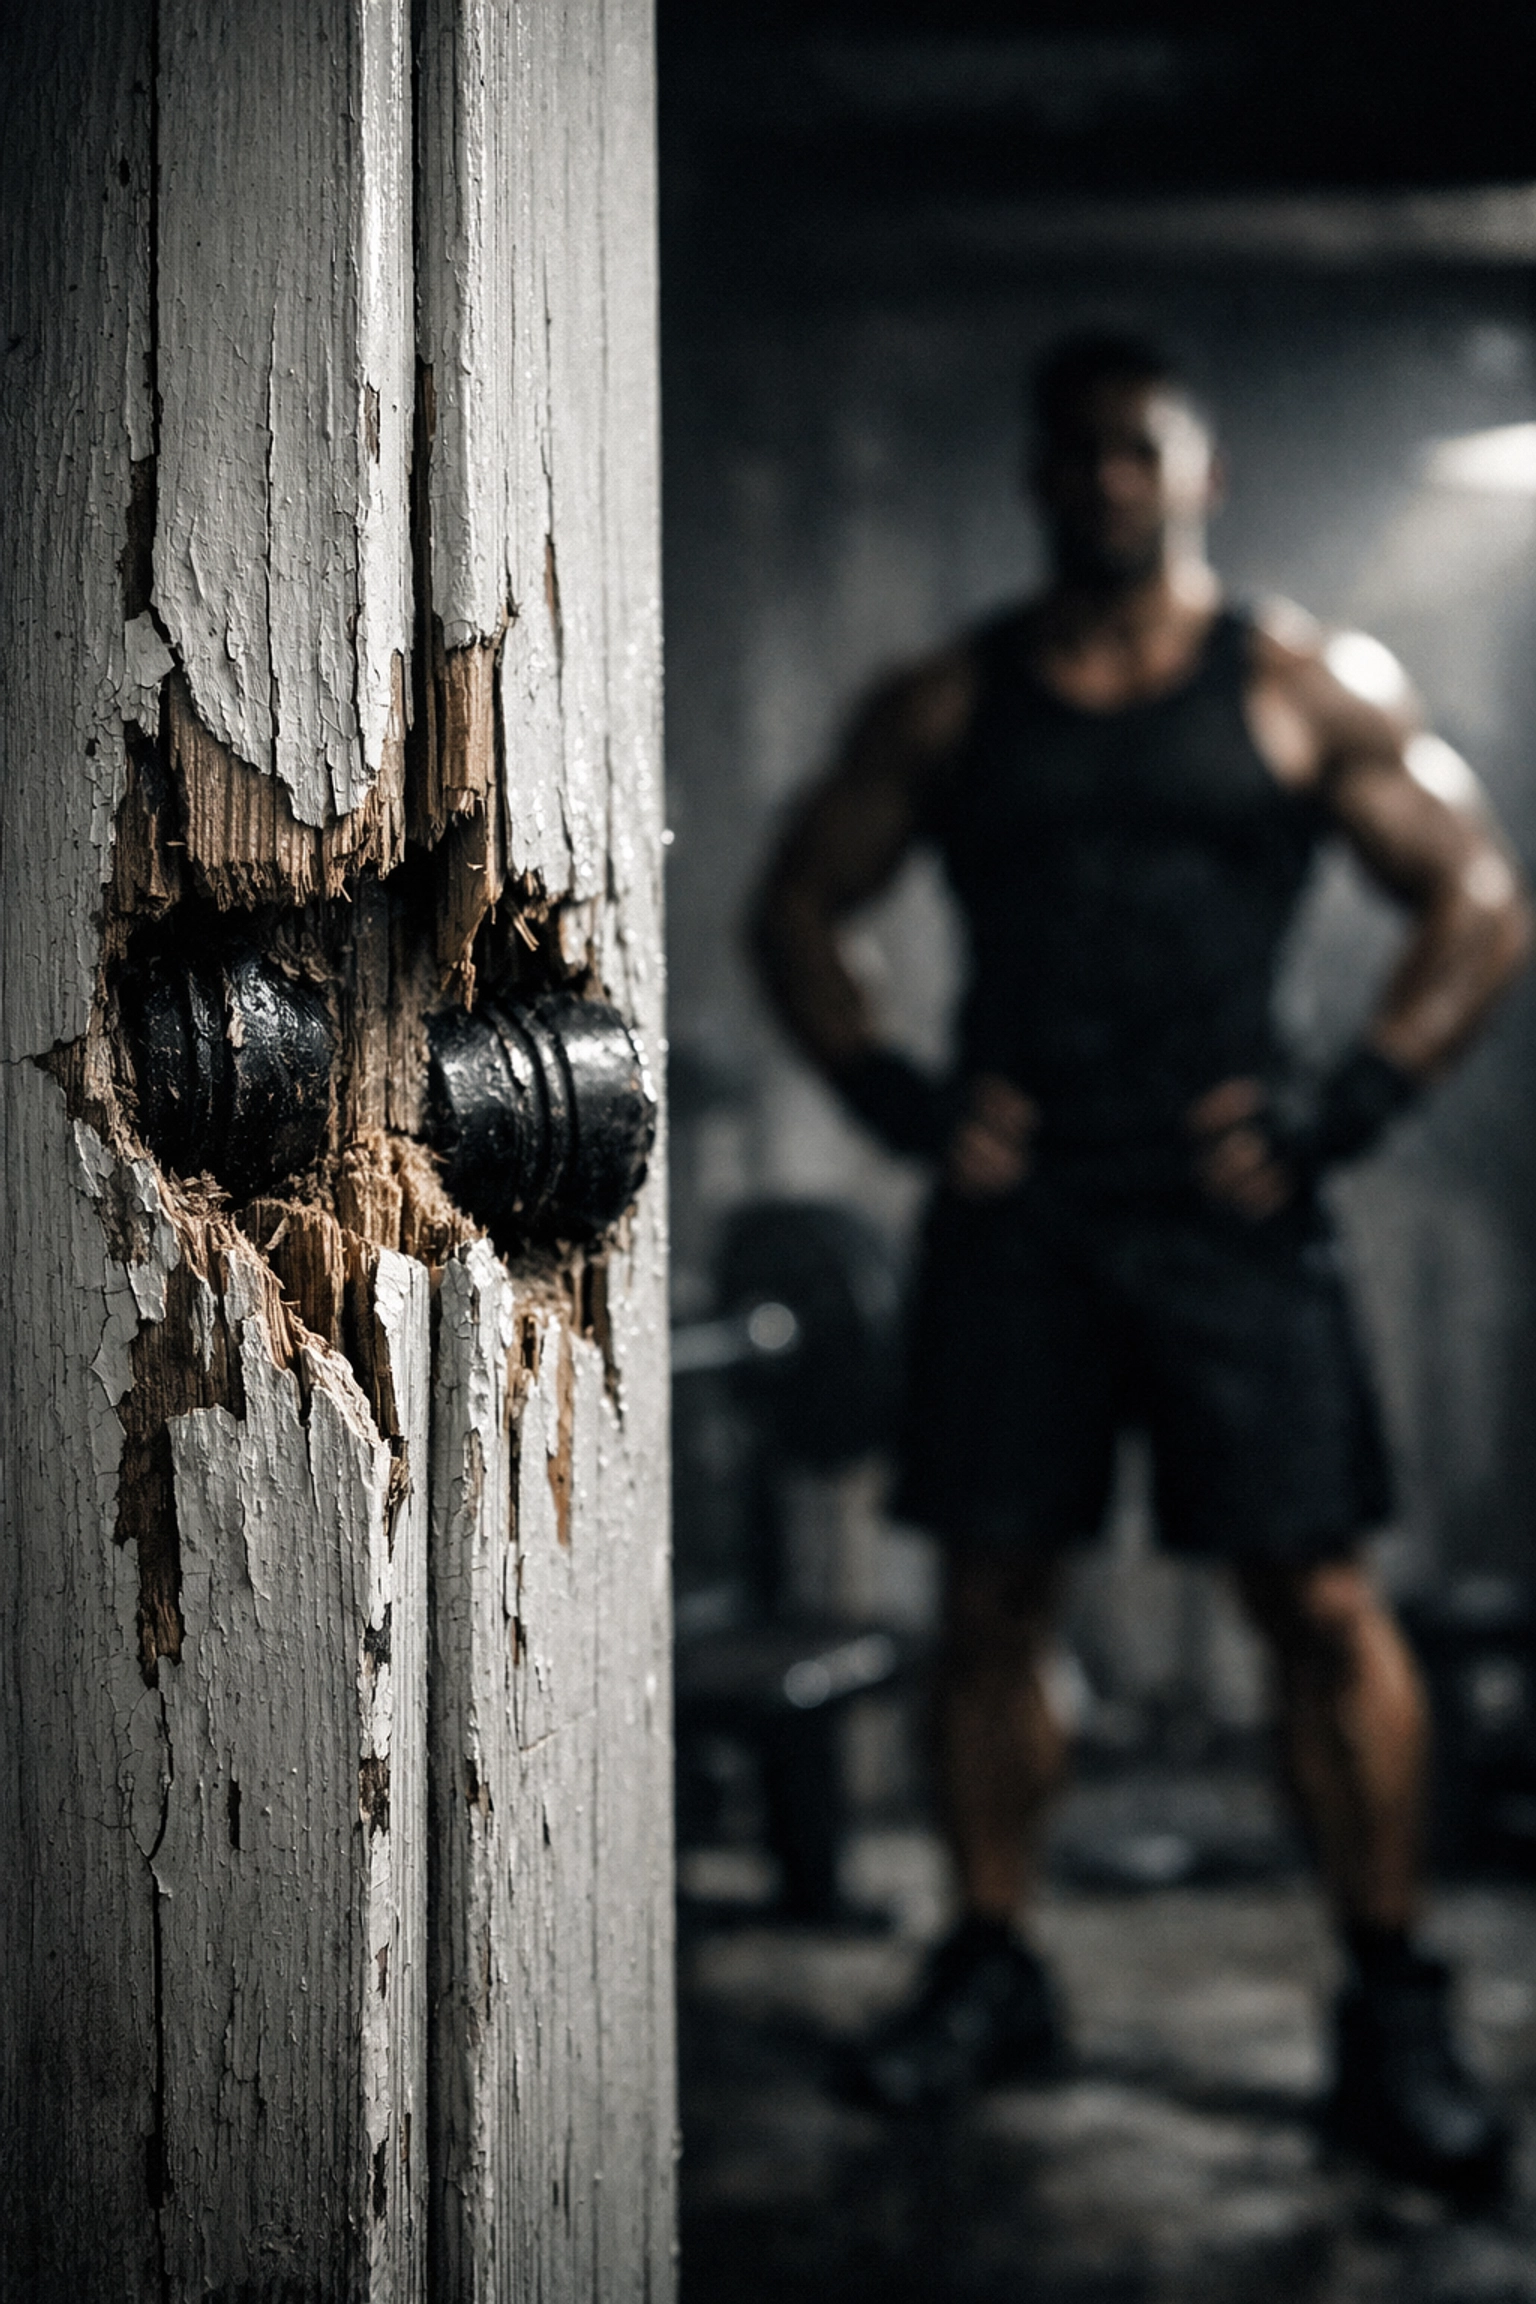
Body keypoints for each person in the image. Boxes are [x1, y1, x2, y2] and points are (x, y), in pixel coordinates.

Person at [750, 332, 1532, 2200]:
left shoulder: (1295, 685)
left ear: (1199, 475)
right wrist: (896, 1094)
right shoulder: (955, 706)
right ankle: (994, 1961)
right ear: (1040, 482)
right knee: (993, 1600)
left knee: (1321, 1606)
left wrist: (1345, 1110)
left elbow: (1480, 900)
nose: (1105, 481)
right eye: (1076, 455)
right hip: (1019, 1221)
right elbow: (798, 904)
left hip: (1231, 1215)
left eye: (1136, 451)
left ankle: (1388, 2003)